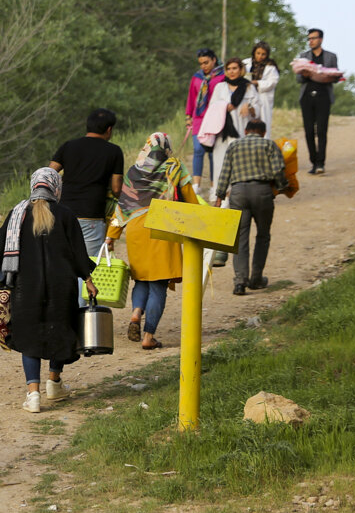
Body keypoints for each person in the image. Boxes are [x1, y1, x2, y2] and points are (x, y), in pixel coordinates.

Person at [0, 168, 98, 413]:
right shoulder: (66, 214)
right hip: (62, 286)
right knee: (61, 329)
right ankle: (54, 383)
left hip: (25, 288)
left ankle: (33, 394)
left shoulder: (18, 215)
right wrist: (88, 279)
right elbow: (79, 253)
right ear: (55, 188)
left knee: (30, 338)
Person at [105, 133, 200, 350]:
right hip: (163, 226)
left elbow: (123, 206)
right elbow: (190, 197)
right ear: (167, 147)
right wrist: (199, 220)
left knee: (142, 279)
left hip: (137, 230)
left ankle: (136, 313)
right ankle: (148, 336)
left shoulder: (134, 171)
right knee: (158, 284)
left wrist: (112, 235)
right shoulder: (174, 166)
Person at [213, 119, 290, 296]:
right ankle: (256, 279)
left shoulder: (234, 146)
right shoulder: (269, 144)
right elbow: (278, 170)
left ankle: (240, 282)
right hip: (262, 192)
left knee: (240, 238)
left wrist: (219, 197)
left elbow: (224, 172)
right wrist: (281, 186)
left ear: (246, 131)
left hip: (238, 193)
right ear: (263, 132)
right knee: (263, 235)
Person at [49, 109, 124, 258]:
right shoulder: (113, 151)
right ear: (109, 130)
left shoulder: (68, 146)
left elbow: (48, 173)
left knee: (62, 262)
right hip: (91, 214)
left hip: (62, 212)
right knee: (88, 265)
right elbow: (116, 189)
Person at [196, 58, 262, 204]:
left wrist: (249, 107)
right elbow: (212, 108)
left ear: (241, 69)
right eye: (229, 69)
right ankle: (221, 196)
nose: (232, 72)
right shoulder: (220, 87)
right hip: (223, 132)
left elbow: (258, 109)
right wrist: (224, 106)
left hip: (242, 131)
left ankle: (240, 196)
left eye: (235, 68)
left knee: (241, 164)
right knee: (221, 163)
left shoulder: (249, 87)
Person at [296, 29, 342, 175]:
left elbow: (336, 77)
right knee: (309, 130)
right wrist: (306, 74)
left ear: (321, 39)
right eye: (309, 39)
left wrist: (324, 75)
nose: (311, 41)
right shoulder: (303, 57)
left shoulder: (330, 57)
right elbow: (298, 78)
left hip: (323, 96)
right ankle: (313, 161)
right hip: (307, 96)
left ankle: (321, 162)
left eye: (314, 38)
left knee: (321, 130)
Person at [185, 49, 223, 183]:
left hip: (215, 119)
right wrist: (188, 116)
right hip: (199, 118)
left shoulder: (222, 77)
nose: (203, 66)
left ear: (214, 60)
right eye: (201, 63)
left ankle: (214, 185)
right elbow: (191, 97)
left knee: (213, 153)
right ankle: (196, 187)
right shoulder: (197, 77)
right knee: (198, 150)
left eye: (206, 62)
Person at [242, 41, 280, 135]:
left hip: (263, 97)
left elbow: (273, 81)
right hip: (248, 95)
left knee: (263, 123)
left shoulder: (271, 66)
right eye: (258, 53)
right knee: (247, 122)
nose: (260, 56)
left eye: (263, 54)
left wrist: (257, 83)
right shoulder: (245, 63)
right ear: (254, 52)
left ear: (267, 55)